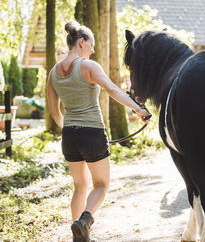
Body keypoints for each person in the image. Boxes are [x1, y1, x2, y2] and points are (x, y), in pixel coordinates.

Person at [47, 20, 150, 242]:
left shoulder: (53, 72)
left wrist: (71, 129)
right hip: (92, 133)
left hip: (69, 135)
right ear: (82, 42)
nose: (93, 50)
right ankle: (84, 221)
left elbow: (55, 113)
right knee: (101, 186)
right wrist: (138, 109)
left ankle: (78, 236)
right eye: (91, 45)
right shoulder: (89, 67)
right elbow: (112, 89)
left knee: (79, 187)